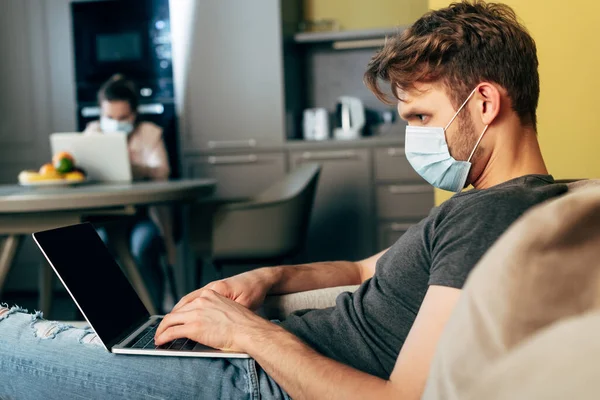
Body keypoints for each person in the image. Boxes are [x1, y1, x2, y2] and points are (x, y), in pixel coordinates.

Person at [0, 2, 570, 399]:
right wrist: (269, 278)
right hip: (252, 358)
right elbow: (359, 268)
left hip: (253, 378)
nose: (412, 137)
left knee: (9, 344)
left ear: (485, 102)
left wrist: (246, 333)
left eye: (421, 117)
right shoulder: (496, 205)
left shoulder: (492, 215)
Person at [85, 74, 178, 313]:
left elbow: (162, 171)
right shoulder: (92, 133)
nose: (115, 122)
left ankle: (155, 315)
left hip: (142, 217)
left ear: (134, 114)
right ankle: (106, 315)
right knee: (93, 249)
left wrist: (133, 168)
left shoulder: (149, 133)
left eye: (123, 117)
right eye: (109, 117)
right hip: (103, 219)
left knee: (143, 247)